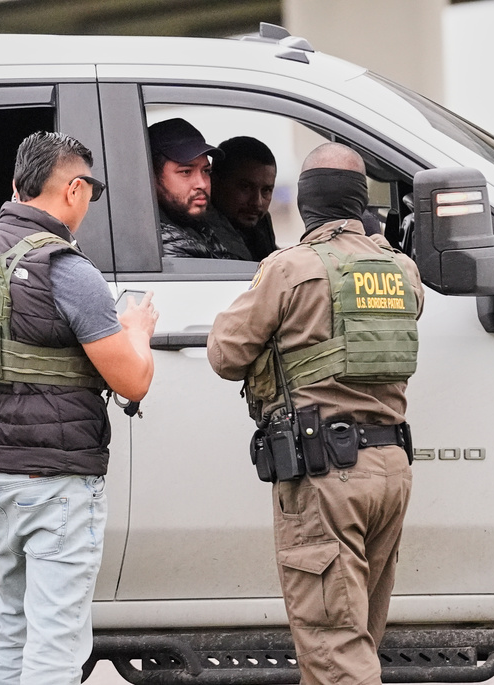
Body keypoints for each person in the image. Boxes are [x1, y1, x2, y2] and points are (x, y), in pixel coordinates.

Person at [0, 131, 158, 685]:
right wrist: (137, 331)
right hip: (56, 483)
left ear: (16, 186)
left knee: (11, 630)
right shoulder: (67, 269)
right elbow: (132, 382)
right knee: (57, 645)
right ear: (75, 189)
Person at [206, 143, 423, 685]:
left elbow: (224, 354)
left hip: (326, 477)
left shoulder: (290, 270)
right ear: (360, 202)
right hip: (390, 470)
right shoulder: (402, 271)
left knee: (333, 653)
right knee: (357, 642)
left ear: (306, 205)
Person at [148, 118, 251, 260]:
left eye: (206, 171)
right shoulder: (165, 244)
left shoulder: (198, 222)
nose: (202, 184)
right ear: (152, 177)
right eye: (186, 172)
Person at [211, 136, 279, 261]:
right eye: (245, 187)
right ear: (215, 183)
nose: (257, 202)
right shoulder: (199, 237)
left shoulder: (261, 225)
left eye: (266, 190)